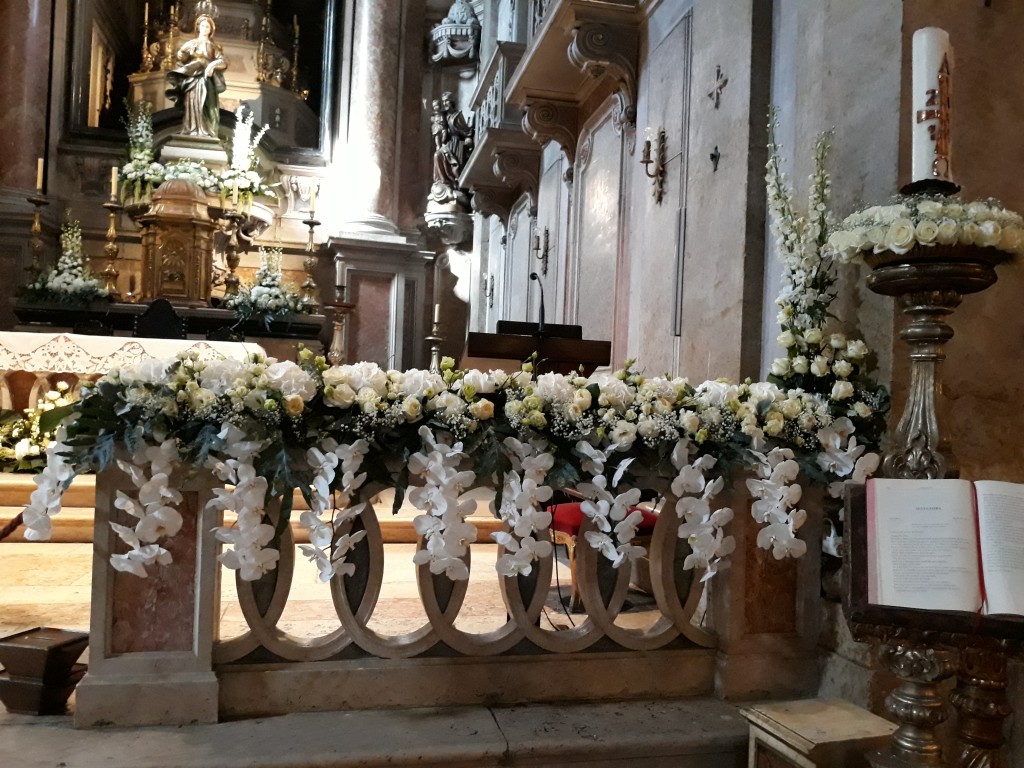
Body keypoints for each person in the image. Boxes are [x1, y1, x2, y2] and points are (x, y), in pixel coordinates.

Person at [165, 14, 227, 138]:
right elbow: (181, 57)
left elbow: (223, 62)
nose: (205, 29)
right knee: (193, 103)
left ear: (211, 30)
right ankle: (192, 128)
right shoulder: (191, 43)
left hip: (207, 80)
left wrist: (212, 65)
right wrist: (183, 53)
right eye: (203, 26)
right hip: (193, 79)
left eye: (207, 27)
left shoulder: (213, 46)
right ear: (198, 27)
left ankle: (206, 129)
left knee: (207, 106)